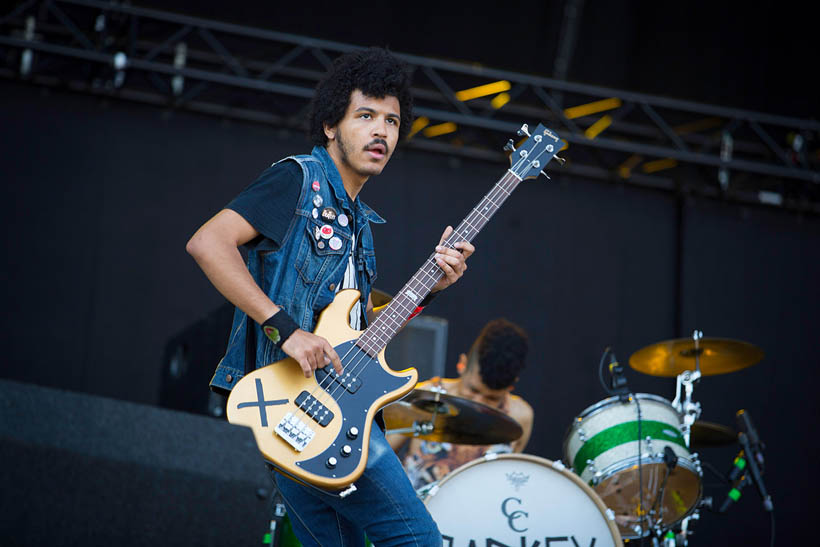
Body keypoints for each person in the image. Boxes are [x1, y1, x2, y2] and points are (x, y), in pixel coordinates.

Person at [185, 47, 474, 546]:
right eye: (365, 116)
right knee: (418, 540)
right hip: (290, 403)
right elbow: (207, 243)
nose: (381, 131)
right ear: (330, 126)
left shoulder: (360, 224)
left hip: (323, 414)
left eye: (392, 121)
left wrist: (430, 288)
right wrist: (286, 330)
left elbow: (351, 339)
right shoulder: (296, 180)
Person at [387, 318, 533, 492]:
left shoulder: (521, 415)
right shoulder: (425, 396)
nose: (478, 403)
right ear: (461, 364)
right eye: (472, 390)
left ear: (511, 386)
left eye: (491, 399)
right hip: (417, 507)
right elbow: (382, 455)